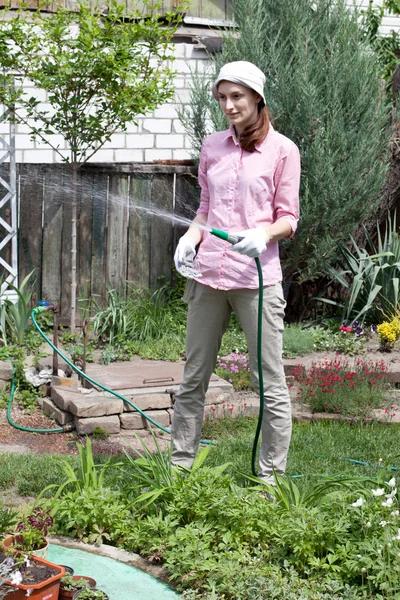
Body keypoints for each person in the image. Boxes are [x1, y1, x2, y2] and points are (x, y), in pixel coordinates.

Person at [171, 61, 301, 484]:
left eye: (236, 96)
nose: (228, 105)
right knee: (194, 376)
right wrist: (189, 239)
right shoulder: (213, 146)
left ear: (258, 98)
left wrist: (263, 235)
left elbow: (289, 218)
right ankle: (180, 466)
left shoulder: (283, 150)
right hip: (208, 276)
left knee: (268, 381)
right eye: (222, 97)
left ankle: (270, 478)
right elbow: (205, 210)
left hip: (256, 281)